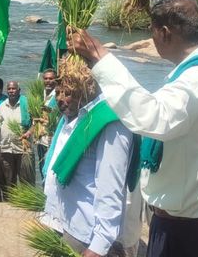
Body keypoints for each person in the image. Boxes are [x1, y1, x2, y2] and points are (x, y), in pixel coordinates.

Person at [69, 0, 198, 257]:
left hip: (185, 230)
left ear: (164, 33)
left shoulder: (196, 79)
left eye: (152, 31)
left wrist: (100, 57)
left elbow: (153, 117)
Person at [41, 66, 135, 257]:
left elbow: (110, 188)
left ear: (87, 87)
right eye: (58, 92)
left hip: (86, 235)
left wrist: (99, 245)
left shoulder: (107, 122)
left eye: (68, 92)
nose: (59, 98)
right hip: (63, 222)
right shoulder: (70, 120)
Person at [0, 81, 34, 191]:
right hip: (6, 149)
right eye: (9, 89)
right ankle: (10, 205)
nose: (11, 91)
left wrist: (29, 132)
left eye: (14, 88)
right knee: (9, 182)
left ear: (19, 90)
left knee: (26, 181)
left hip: (23, 149)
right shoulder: (3, 105)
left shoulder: (27, 104)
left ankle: (27, 205)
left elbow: (36, 123)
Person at [37, 69, 58, 175]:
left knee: (49, 172)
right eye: (45, 78)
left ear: (56, 80)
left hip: (51, 140)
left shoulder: (58, 96)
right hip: (40, 140)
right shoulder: (40, 94)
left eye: (51, 78)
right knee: (42, 170)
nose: (48, 81)